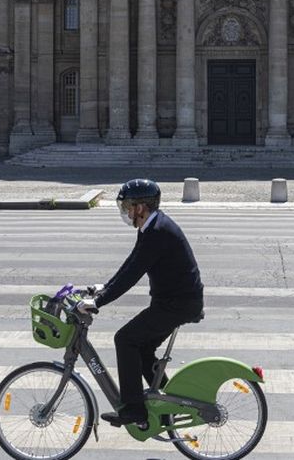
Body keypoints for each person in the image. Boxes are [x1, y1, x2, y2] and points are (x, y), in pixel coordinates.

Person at [77, 178, 204, 428]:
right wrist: (103, 288)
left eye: (127, 206)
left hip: (176, 304)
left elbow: (133, 273)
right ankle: (170, 403)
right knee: (142, 349)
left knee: (125, 339)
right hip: (173, 302)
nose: (125, 211)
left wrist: (98, 302)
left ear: (141, 208)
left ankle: (134, 409)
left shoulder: (157, 232)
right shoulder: (151, 226)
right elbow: (131, 263)